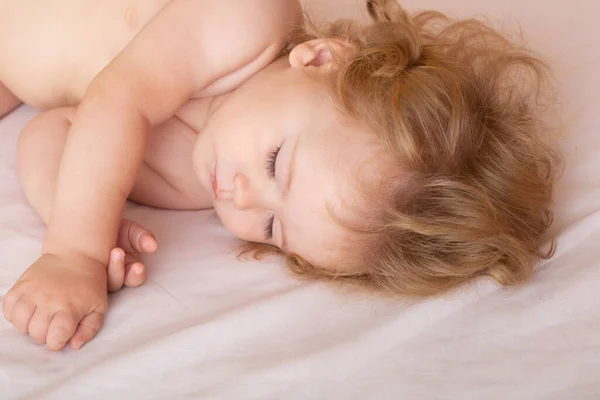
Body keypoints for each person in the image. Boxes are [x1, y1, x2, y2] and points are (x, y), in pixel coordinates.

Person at [0, 0, 562, 351]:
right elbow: (113, 100)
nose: (240, 197)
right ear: (319, 59)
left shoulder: (199, 181)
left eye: (271, 226)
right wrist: (75, 250)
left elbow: (49, 136)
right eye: (275, 162)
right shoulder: (250, 18)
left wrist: (94, 216)